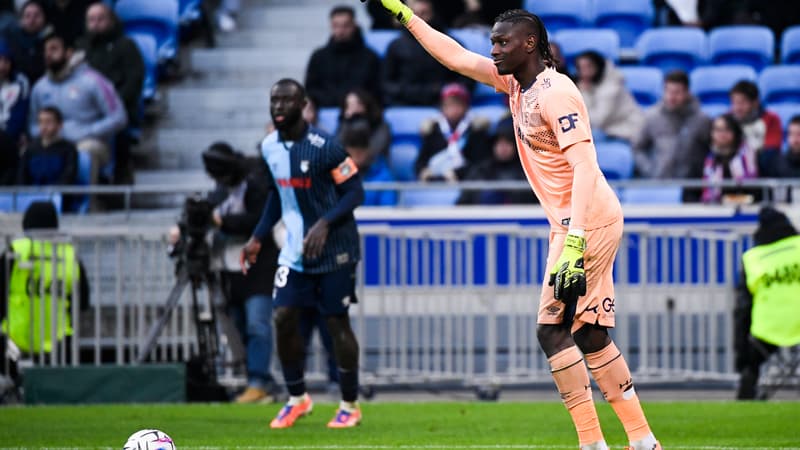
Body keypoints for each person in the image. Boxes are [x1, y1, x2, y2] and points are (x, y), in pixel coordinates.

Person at [368, 3, 661, 449]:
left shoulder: (556, 92)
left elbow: (585, 166)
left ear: (530, 44)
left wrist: (575, 239)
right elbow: (456, 57)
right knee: (587, 332)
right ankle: (642, 441)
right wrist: (406, 15)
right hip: (576, 222)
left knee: (551, 329)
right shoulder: (515, 84)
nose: (494, 49)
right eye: (493, 42)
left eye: (503, 42)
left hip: (586, 221)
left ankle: (593, 443)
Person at [241, 78, 365, 429]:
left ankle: (350, 404)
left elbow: (355, 192)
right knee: (283, 316)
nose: (279, 107)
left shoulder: (326, 146)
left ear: (303, 105)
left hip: (336, 249)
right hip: (294, 250)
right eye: (274, 101)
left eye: (287, 100)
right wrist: (257, 237)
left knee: (336, 322)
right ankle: (297, 398)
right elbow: (276, 196)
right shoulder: (269, 147)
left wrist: (324, 223)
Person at [200, 142, 280, 403]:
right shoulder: (221, 190)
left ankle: (258, 381)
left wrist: (223, 222)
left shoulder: (255, 182)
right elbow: (209, 210)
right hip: (229, 269)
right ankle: (256, 381)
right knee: (240, 328)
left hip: (259, 267)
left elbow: (259, 220)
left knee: (258, 324)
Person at [0, 201, 90, 385]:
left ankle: (12, 386)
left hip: (14, 341)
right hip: (58, 343)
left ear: (26, 224)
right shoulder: (70, 255)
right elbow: (83, 302)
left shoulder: (16, 249)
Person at [29, 33, 127, 187]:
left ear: (69, 52)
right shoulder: (39, 87)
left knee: (84, 153)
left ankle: (88, 200)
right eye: (46, 50)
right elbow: (32, 125)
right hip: (52, 142)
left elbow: (119, 117)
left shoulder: (93, 80)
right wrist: (47, 133)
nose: (48, 54)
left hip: (88, 141)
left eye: (54, 49)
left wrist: (86, 131)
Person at [734, 206, 800, 400]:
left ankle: (746, 396)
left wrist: (741, 356)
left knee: (751, 363)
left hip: (768, 329)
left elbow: (743, 308)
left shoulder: (753, 258)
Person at [77, 2, 145, 184]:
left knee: (118, 130)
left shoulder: (126, 45)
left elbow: (134, 81)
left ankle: (121, 176)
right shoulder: (81, 48)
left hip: (118, 110)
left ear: (111, 21)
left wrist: (111, 107)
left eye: (101, 19)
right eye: (91, 20)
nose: (96, 24)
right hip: (85, 112)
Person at [381, 0, 473, 106]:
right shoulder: (396, 46)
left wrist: (449, 91)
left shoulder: (450, 43)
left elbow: (467, 79)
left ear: (434, 12)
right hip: (405, 104)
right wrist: (410, 92)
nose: (420, 19)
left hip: (444, 104)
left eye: (424, 13)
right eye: (416, 14)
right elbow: (386, 84)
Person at [632, 70, 711, 180]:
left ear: (687, 92)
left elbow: (711, 150)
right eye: (668, 91)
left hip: (691, 184)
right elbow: (638, 148)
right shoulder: (652, 117)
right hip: (660, 182)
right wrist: (650, 170)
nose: (671, 97)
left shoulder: (702, 120)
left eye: (677, 92)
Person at [305, 5, 381, 108]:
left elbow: (376, 91)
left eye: (345, 26)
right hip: (324, 109)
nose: (340, 31)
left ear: (354, 25)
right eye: (336, 26)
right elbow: (310, 89)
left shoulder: (370, 58)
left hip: (360, 113)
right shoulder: (318, 57)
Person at [414, 82, 490, 182]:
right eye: (449, 105)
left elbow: (480, 164)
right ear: (442, 107)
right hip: (435, 181)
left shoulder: (475, 130)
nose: (454, 110)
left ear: (466, 107)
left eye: (458, 105)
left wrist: (457, 173)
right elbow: (421, 161)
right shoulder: (434, 130)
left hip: (465, 183)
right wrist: (423, 171)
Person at [457, 118, 535, 205]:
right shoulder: (481, 170)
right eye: (499, 143)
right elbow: (463, 202)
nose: (503, 148)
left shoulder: (527, 172)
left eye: (508, 142)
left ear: (516, 146)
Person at [574, 50, 643, 144]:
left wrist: (584, 93)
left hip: (631, 130)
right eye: (581, 68)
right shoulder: (591, 85)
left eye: (589, 67)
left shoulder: (611, 88)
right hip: (613, 130)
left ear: (598, 66)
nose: (584, 72)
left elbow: (597, 120)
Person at [699, 114, 759, 204]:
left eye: (727, 129)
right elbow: (692, 193)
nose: (722, 134)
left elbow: (756, 190)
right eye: (718, 129)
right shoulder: (704, 157)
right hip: (710, 209)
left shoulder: (750, 157)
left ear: (735, 132)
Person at [339, 116, 397, 206]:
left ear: (369, 148)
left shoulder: (384, 176)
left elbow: (388, 209)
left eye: (362, 145)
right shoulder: (337, 175)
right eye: (353, 145)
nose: (357, 152)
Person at [728, 80, 783, 174]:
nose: (737, 108)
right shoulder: (727, 119)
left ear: (755, 103)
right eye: (734, 102)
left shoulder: (771, 119)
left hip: (761, 167)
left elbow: (772, 148)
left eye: (742, 103)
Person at [18, 106, 77, 186]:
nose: (43, 126)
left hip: (57, 192)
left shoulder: (68, 149)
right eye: (40, 122)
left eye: (48, 122)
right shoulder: (30, 149)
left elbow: (68, 177)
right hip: (32, 192)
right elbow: (22, 177)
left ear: (60, 125)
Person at [0, 39, 29, 185]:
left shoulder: (20, 83)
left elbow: (18, 119)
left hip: (9, 141)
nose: (2, 66)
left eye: (6, 61)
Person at [337, 88, 391, 159]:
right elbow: (337, 147)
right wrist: (347, 122)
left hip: (375, 163)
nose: (352, 109)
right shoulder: (345, 123)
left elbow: (375, 150)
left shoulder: (380, 125)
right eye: (348, 105)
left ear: (365, 104)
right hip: (348, 162)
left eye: (355, 104)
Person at [3, 1, 50, 84]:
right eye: (28, 16)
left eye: (36, 15)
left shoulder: (51, 40)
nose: (32, 20)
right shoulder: (11, 40)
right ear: (21, 20)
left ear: (44, 18)